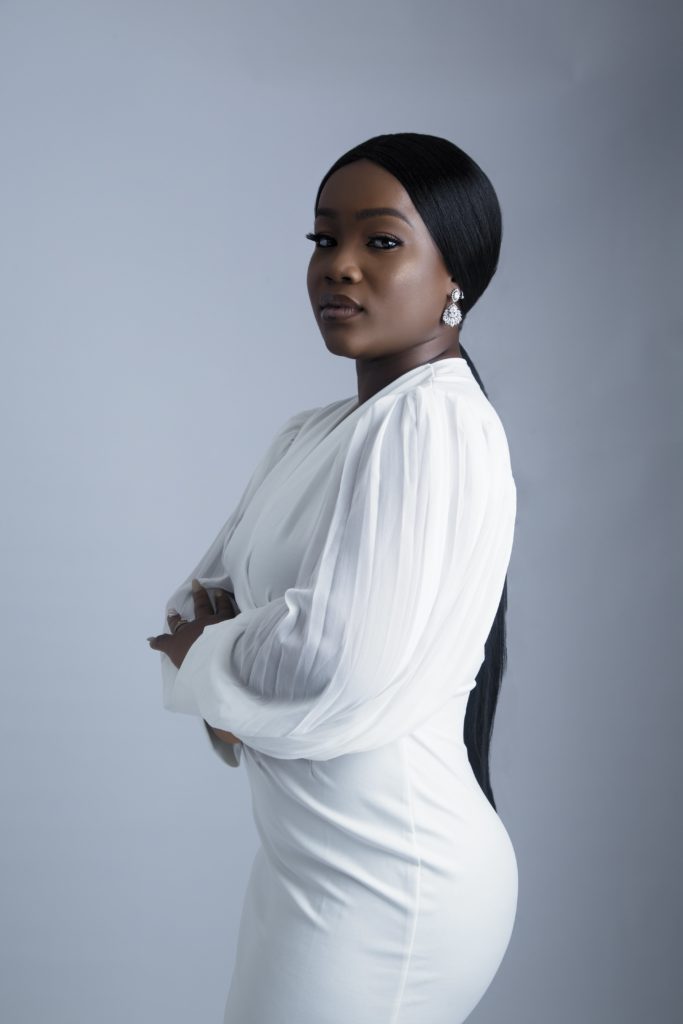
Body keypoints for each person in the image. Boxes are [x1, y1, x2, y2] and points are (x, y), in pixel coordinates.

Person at [148, 132, 518, 1024]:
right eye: (323, 238)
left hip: (387, 876)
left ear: (455, 274)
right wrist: (231, 666)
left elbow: (327, 660)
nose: (338, 266)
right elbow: (193, 609)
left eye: (380, 240)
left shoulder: (429, 424)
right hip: (309, 861)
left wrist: (217, 662)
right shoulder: (314, 433)